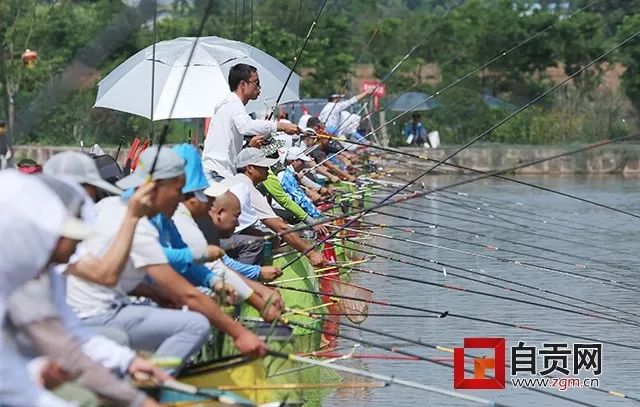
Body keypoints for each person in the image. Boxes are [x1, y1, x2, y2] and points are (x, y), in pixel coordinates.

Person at [66, 147, 267, 374]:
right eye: (179, 190)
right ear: (157, 188)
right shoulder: (137, 224)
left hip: (103, 307)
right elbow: (185, 293)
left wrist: (209, 282)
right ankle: (150, 384)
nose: (183, 198)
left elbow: (175, 267)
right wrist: (239, 333)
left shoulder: (111, 207)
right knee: (195, 325)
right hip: (97, 316)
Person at [222, 148, 326, 268]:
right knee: (259, 243)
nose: (268, 169)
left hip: (214, 236)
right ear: (249, 168)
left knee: (270, 237)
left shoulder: (232, 181)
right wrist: (310, 253)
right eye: (264, 166)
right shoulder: (245, 187)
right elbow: (280, 227)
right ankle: (244, 281)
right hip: (215, 241)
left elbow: (248, 227)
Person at [202, 63, 299, 181]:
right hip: (217, 173)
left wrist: (250, 146)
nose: (259, 88)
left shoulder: (232, 104)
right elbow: (246, 126)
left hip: (221, 172)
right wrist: (280, 126)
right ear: (243, 84)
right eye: (256, 83)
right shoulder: (232, 103)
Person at [277, 146, 325, 220]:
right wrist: (317, 215)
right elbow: (300, 199)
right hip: (284, 212)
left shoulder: (289, 174)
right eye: (302, 161)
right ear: (292, 161)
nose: (304, 164)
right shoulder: (286, 175)